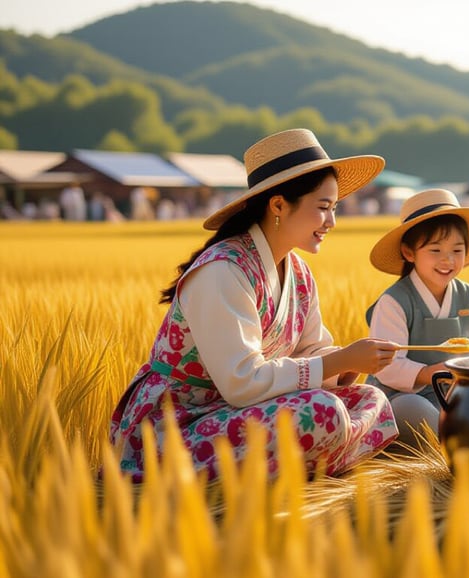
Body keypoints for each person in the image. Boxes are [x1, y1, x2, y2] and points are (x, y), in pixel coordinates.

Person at [110, 129, 400, 481]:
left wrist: (346, 366)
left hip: (242, 413)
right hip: (182, 422)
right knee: (324, 414)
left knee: (371, 400)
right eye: (323, 208)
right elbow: (241, 383)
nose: (332, 222)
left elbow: (313, 348)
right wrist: (337, 360)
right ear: (278, 205)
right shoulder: (222, 269)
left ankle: (295, 467)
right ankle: (308, 466)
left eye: (334, 208)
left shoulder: (299, 273)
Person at [365, 188, 469, 447]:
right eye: (435, 250)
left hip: (457, 394)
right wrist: (434, 373)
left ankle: (456, 441)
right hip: (402, 396)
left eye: (457, 250)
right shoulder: (395, 301)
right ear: (409, 253)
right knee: (411, 410)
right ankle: (458, 444)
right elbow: (387, 366)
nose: (447, 260)